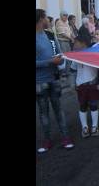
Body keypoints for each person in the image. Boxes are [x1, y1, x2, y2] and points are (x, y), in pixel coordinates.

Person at [36, 9, 74, 153]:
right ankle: (46, 141)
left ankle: (66, 137)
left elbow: (58, 52)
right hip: (40, 81)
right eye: (46, 17)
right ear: (40, 19)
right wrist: (50, 62)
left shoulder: (50, 35)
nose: (48, 20)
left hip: (54, 78)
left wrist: (60, 60)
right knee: (43, 112)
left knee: (59, 109)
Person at [71, 35, 99, 138]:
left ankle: (94, 126)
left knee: (93, 105)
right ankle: (84, 127)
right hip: (81, 85)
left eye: (76, 42)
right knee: (82, 106)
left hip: (92, 84)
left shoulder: (93, 54)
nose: (74, 45)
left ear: (83, 43)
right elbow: (73, 70)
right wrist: (73, 83)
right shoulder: (76, 56)